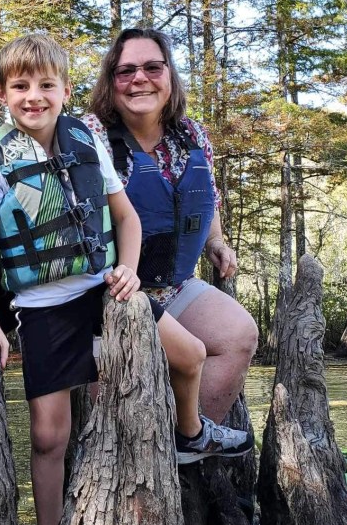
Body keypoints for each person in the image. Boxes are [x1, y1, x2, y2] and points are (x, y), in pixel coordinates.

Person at [0, 34, 252, 525]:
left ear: (65, 91)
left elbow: (127, 219)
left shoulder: (85, 140)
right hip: (42, 310)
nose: (33, 96)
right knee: (49, 437)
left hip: (104, 293)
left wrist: (128, 270)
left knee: (191, 354)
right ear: (1, 94)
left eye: (46, 85)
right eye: (20, 86)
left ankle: (189, 433)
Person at [84, 27, 259, 426]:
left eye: (152, 67)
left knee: (238, 334)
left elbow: (207, 197)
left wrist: (216, 240)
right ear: (111, 81)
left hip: (174, 287)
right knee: (115, 385)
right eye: (126, 71)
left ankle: (186, 440)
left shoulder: (192, 135)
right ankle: (130, 449)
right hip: (108, 297)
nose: (139, 79)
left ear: (169, 76)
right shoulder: (88, 136)